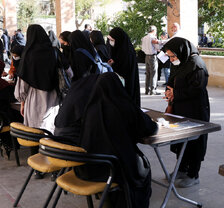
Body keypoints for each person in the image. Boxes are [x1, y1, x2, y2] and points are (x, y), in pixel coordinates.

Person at [76, 72, 158, 208]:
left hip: (88, 166)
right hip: (113, 167)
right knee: (142, 169)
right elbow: (148, 128)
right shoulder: (124, 106)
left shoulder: (89, 107)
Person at [164, 37, 210, 188]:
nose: (171, 60)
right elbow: (172, 81)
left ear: (182, 51)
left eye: (173, 56)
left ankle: (193, 174)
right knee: (181, 140)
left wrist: (175, 93)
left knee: (194, 141)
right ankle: (181, 169)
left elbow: (196, 90)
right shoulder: (180, 62)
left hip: (195, 110)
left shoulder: (197, 65)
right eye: (169, 56)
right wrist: (169, 92)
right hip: (180, 109)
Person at [15, 24, 59, 134]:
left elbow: (23, 82)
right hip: (53, 97)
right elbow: (69, 73)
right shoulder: (54, 52)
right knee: (50, 129)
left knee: (34, 131)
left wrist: (22, 102)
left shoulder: (28, 54)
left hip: (34, 99)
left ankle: (35, 151)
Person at [108, 27, 141, 107]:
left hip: (126, 86)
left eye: (112, 40)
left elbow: (124, 69)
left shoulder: (127, 52)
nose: (110, 42)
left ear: (118, 39)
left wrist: (113, 65)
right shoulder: (117, 49)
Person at [141, 26, 160, 95]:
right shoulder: (153, 37)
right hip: (152, 56)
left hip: (146, 56)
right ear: (154, 30)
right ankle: (153, 90)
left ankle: (147, 90)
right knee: (154, 74)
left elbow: (142, 48)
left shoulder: (144, 38)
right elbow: (158, 47)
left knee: (148, 74)